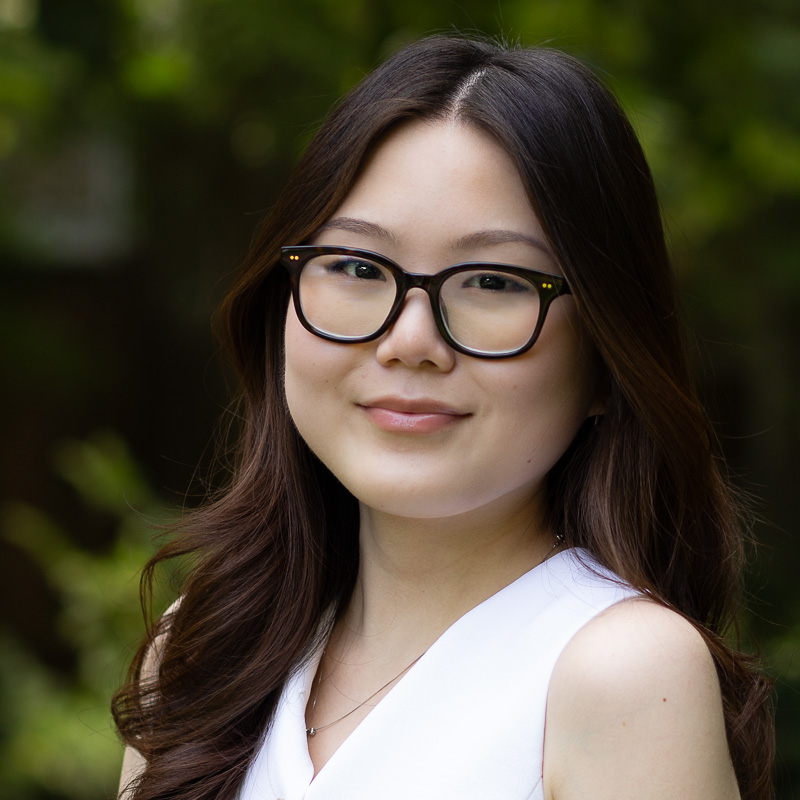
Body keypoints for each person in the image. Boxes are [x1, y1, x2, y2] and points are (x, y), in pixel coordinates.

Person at [113, 35, 774, 800]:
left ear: (607, 359)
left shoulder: (618, 673)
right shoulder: (204, 648)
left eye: (493, 280)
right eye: (358, 267)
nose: (411, 342)